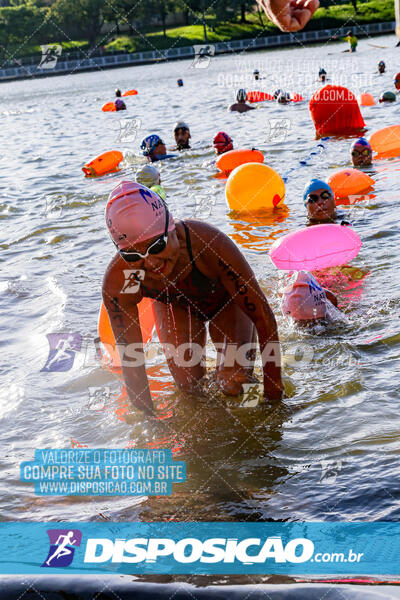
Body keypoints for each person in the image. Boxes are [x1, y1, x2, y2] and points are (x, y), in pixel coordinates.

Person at [103, 181, 284, 413]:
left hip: (225, 303)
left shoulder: (207, 245)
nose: (150, 262)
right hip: (175, 306)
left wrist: (275, 400)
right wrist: (149, 425)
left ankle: (252, 408)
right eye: (132, 254)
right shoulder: (119, 280)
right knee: (191, 389)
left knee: (233, 380)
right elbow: (131, 360)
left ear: (171, 228)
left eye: (157, 246)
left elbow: (263, 318)